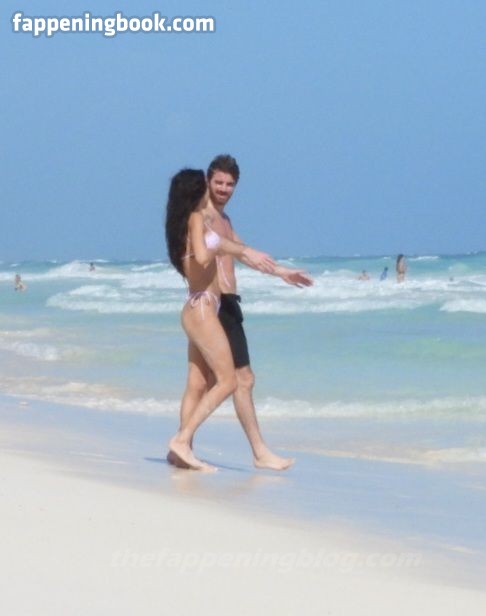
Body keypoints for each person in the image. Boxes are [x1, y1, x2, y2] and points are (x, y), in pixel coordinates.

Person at [168, 155, 313, 471]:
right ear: (207, 182)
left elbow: (244, 255)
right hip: (218, 305)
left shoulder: (224, 220)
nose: (223, 188)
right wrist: (237, 250)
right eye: (218, 182)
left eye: (230, 184)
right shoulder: (203, 216)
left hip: (216, 303)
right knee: (241, 379)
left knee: (198, 382)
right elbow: (211, 251)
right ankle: (257, 452)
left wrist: (281, 272)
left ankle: (182, 447)